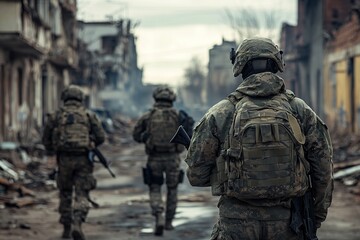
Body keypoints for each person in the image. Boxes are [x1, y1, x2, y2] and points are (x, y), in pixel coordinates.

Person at [185, 37, 333, 240]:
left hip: (235, 225)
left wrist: (226, 170)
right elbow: (323, 170)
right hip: (289, 223)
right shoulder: (300, 110)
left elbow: (196, 176)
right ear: (276, 64)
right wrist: (315, 217)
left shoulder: (221, 113)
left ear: (240, 66)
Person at [42, 85, 105, 240]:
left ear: (64, 98)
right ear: (80, 99)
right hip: (84, 159)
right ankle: (78, 222)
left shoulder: (56, 115)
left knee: (65, 193)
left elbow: (46, 138)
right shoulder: (88, 115)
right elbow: (101, 136)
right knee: (82, 193)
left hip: (63, 160)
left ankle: (66, 227)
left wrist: (52, 150)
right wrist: (91, 143)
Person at [133, 86, 194, 236]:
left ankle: (158, 215)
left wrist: (146, 138)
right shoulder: (179, 115)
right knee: (172, 190)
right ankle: (168, 222)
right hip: (173, 158)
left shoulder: (148, 116)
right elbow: (189, 136)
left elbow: (136, 135)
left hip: (154, 157)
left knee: (155, 188)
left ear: (156, 99)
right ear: (172, 100)